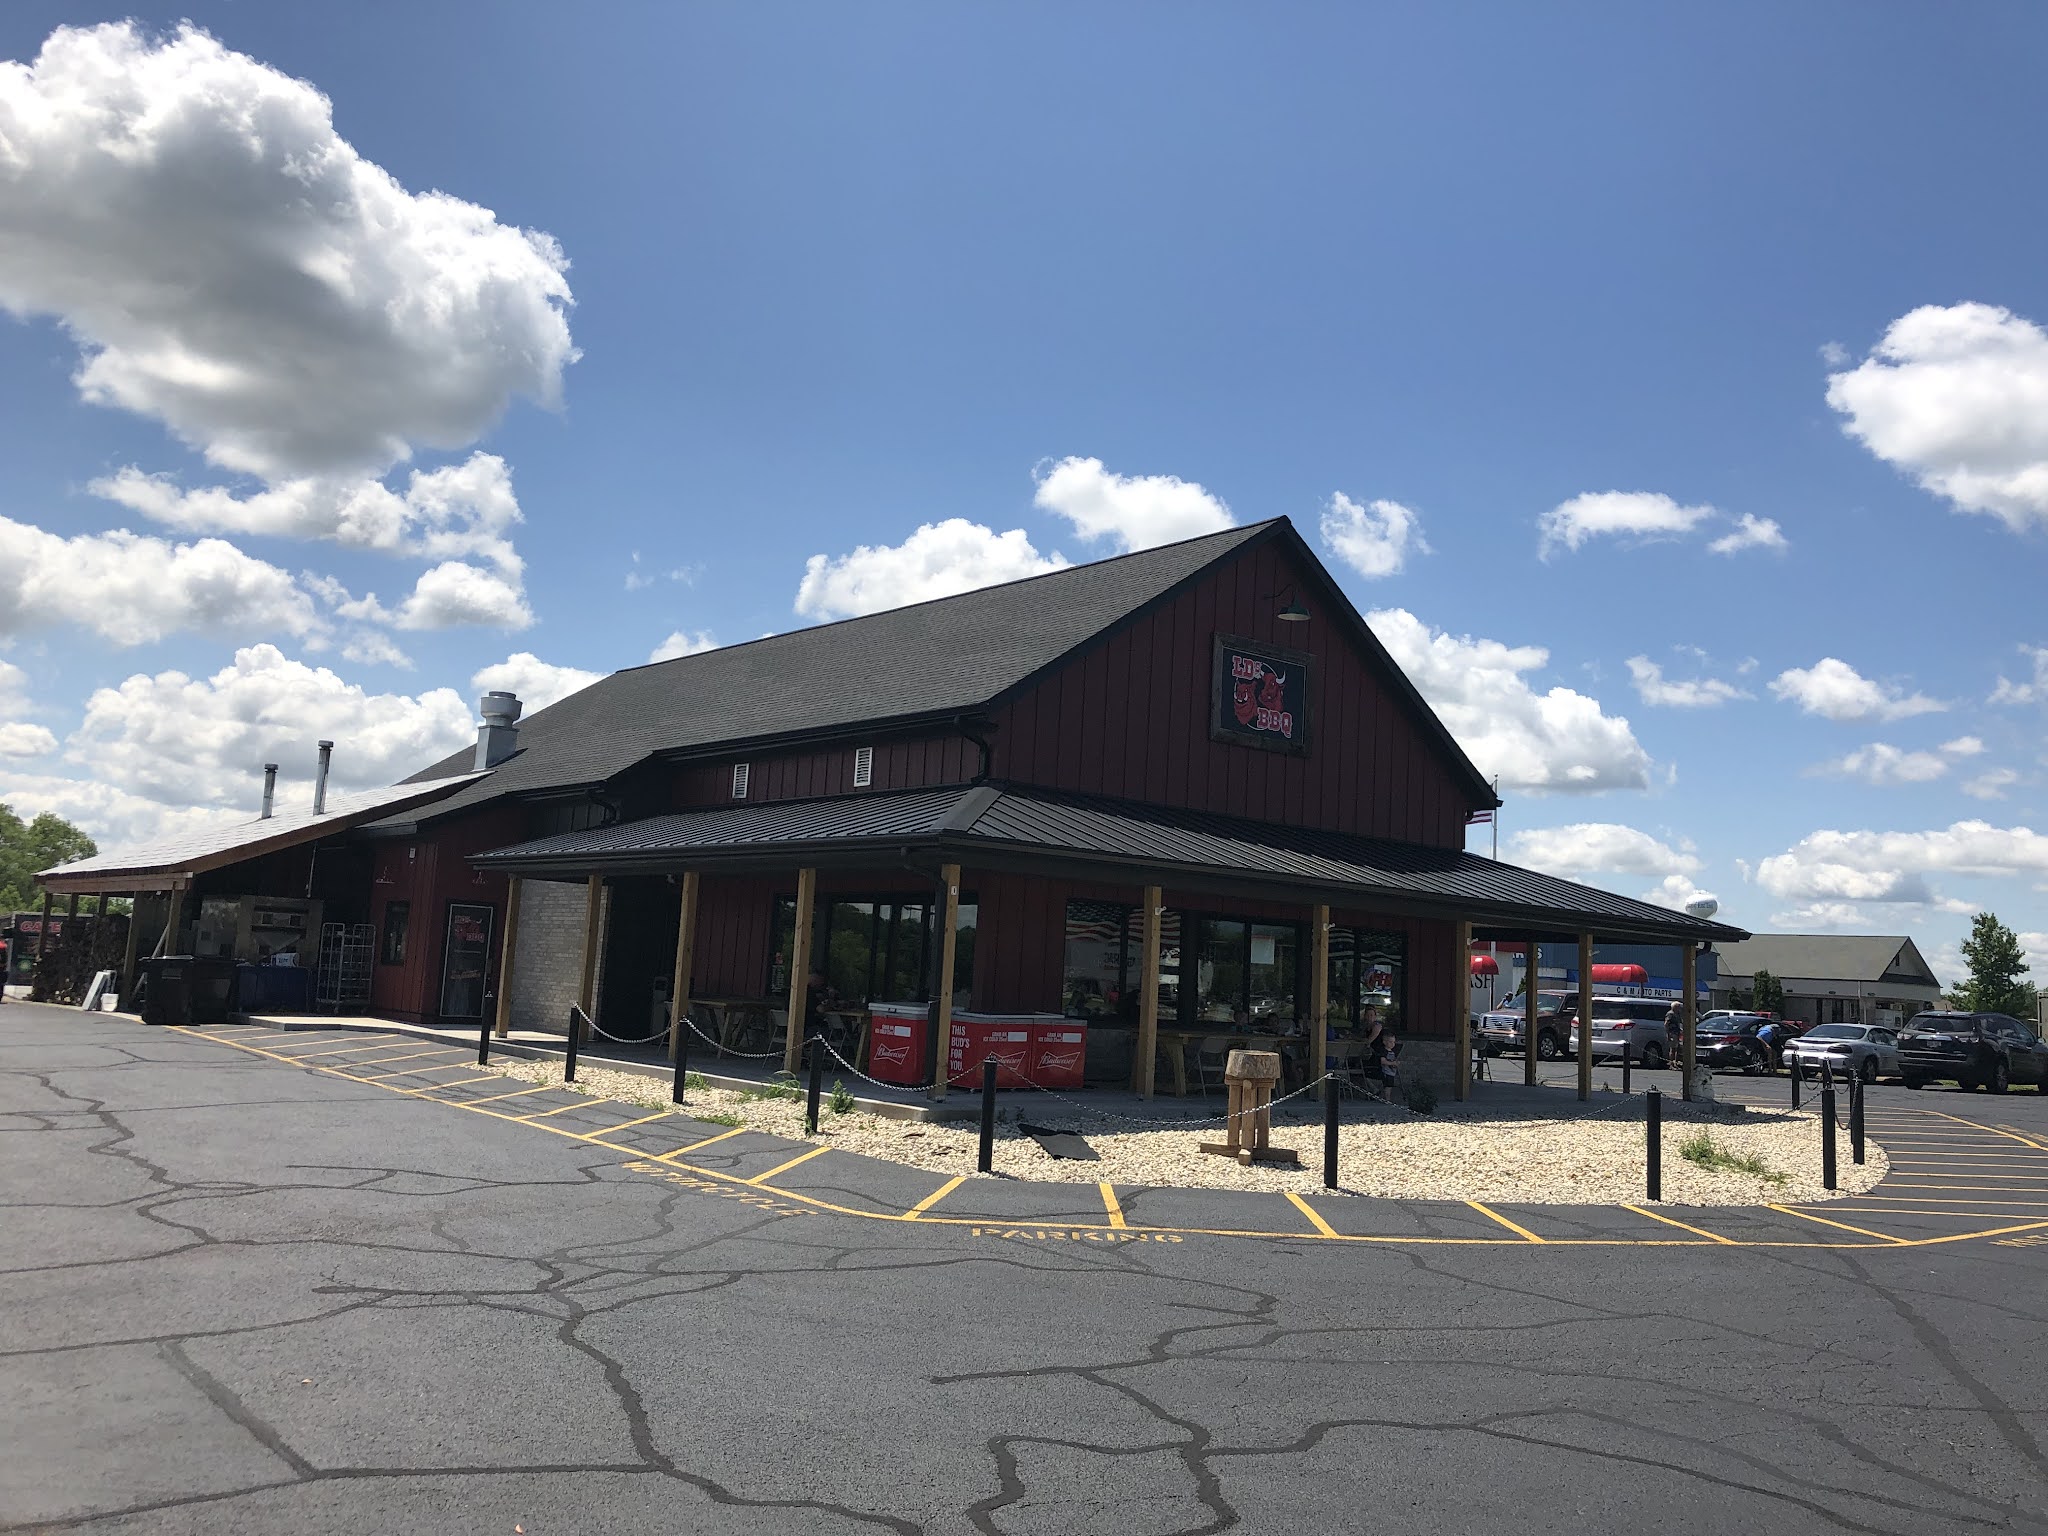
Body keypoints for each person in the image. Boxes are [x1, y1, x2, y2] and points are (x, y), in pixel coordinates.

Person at [1378, 1030, 1402, 1102]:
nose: (1392, 1044)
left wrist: (1396, 1063)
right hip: (1386, 1071)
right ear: (1385, 1042)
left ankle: (1386, 1097)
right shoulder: (1384, 1051)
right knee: (1387, 1086)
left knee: (1390, 1086)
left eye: (1394, 1042)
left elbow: (1393, 1060)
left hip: (1392, 1071)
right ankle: (1387, 1099)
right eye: (1390, 1042)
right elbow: (1383, 1061)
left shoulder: (1392, 1052)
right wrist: (1392, 1063)